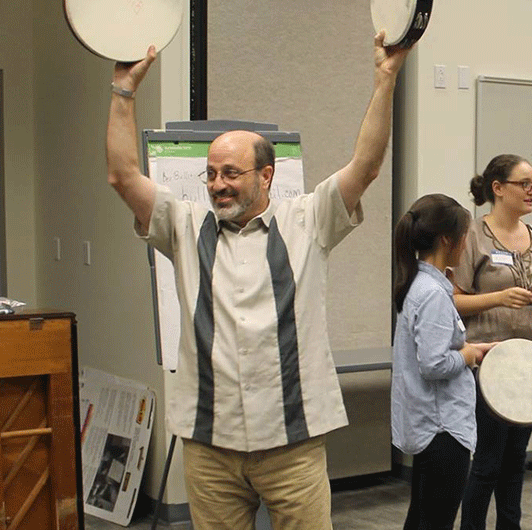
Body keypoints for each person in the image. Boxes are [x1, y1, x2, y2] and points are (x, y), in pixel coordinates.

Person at [104, 32, 408, 529]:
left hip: (293, 443)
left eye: (231, 172)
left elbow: (367, 166)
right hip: (211, 447)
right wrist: (122, 90)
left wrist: (385, 79)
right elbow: (122, 176)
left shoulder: (308, 222)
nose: (218, 184)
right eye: (210, 174)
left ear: (266, 176)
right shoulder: (183, 227)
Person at [453, 153, 532, 530]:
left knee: (516, 460)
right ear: (498, 189)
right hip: (490, 364)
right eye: (525, 184)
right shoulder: (472, 235)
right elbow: (453, 299)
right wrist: (498, 298)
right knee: (488, 461)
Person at [392, 194, 495, 530]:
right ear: (449, 240)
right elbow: (434, 365)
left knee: (422, 518)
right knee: (436, 520)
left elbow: (437, 348)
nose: (467, 244)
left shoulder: (421, 284)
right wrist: (466, 355)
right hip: (443, 430)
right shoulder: (434, 293)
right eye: (465, 236)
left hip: (430, 427)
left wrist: (474, 349)